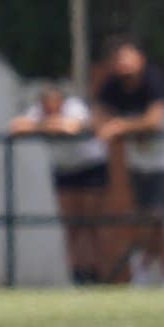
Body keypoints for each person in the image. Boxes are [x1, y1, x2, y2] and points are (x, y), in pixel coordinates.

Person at [92, 39, 164, 288]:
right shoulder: (113, 85)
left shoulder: (153, 79)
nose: (124, 64)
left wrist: (119, 127)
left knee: (156, 216)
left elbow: (154, 121)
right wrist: (106, 124)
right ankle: (147, 269)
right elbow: (98, 115)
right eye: (119, 59)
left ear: (141, 58)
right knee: (144, 217)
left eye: (129, 57)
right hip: (140, 160)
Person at [8, 87, 108, 285]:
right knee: (71, 225)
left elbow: (69, 127)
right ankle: (77, 274)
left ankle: (97, 272)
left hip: (90, 167)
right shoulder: (39, 111)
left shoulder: (74, 107)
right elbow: (16, 126)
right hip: (64, 169)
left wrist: (39, 126)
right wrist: (46, 125)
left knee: (90, 223)